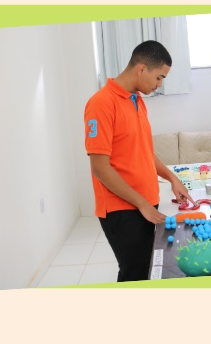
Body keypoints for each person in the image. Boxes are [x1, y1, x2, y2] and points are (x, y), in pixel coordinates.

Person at [84, 40, 194, 282]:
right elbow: (100, 168)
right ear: (142, 69)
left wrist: (172, 178)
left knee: (148, 269)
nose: (159, 84)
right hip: (122, 210)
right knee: (134, 274)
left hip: (145, 205)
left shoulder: (136, 100)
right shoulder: (101, 104)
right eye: (159, 77)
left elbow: (144, 150)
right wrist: (142, 204)